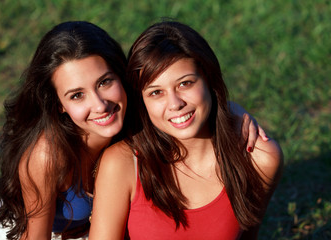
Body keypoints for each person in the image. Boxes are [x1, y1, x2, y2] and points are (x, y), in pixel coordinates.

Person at [0, 20, 265, 240]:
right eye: (76, 95)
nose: (100, 105)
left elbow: (184, 100)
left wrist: (231, 111)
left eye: (105, 82)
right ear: (58, 104)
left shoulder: (136, 113)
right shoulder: (47, 155)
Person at [89, 21, 283, 240]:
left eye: (185, 84)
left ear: (208, 79)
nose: (175, 103)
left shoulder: (259, 158)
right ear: (141, 101)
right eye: (156, 93)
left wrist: (230, 112)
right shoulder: (122, 164)